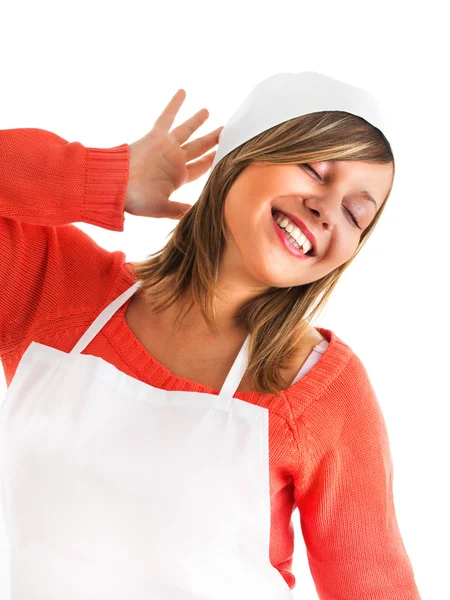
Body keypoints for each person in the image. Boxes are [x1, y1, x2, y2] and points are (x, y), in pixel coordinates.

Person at [0, 82, 422, 599]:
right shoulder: (57, 289)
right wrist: (105, 176)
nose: (328, 209)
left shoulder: (319, 392)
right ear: (244, 151)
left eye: (356, 213)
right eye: (316, 169)